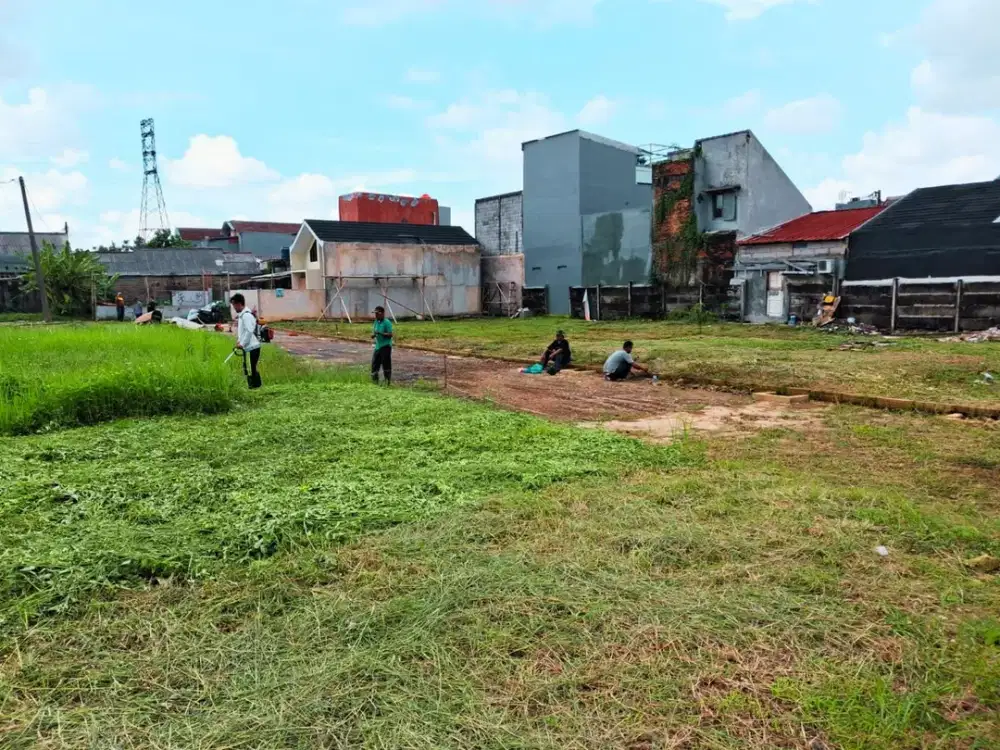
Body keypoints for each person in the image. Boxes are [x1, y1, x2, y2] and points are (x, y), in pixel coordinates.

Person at [231, 293, 262, 389]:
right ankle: (255, 387)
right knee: (249, 368)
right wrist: (239, 341)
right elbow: (243, 332)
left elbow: (249, 331)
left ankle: (254, 387)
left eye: (234, 305)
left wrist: (242, 343)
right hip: (248, 347)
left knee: (250, 369)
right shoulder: (243, 315)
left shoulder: (246, 316)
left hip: (252, 347)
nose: (234, 308)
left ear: (239, 304)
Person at [371, 305, 393, 385]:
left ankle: (387, 382)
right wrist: (373, 335)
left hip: (386, 346)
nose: (376, 315)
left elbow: (390, 334)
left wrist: (381, 333)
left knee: (386, 364)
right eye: (375, 314)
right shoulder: (376, 321)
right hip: (378, 346)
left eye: (377, 314)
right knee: (374, 364)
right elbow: (374, 331)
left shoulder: (387, 322)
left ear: (382, 313)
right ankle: (375, 382)